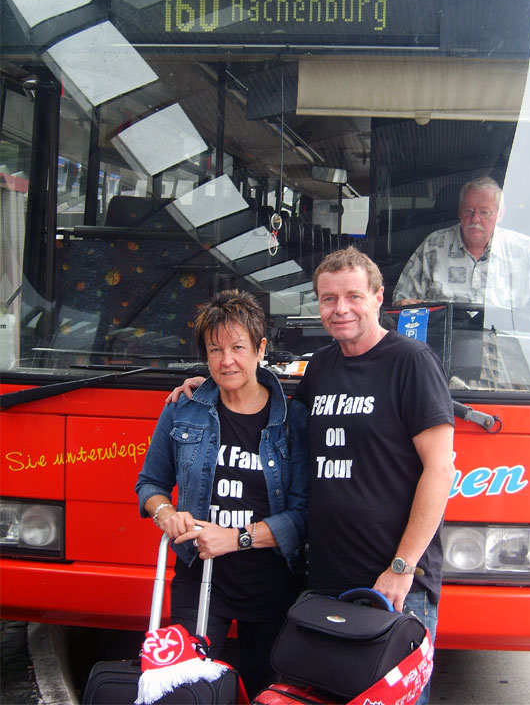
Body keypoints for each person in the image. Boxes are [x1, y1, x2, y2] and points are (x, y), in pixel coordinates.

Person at [169, 249, 455, 705]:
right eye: (328, 299)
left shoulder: (412, 363)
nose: (340, 308)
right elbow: (266, 410)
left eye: (353, 296)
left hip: (393, 580)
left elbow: (441, 472)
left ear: (379, 298)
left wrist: (402, 568)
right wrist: (206, 386)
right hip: (324, 577)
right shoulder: (321, 367)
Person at [136, 290, 308, 699]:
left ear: (260, 349)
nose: (226, 360)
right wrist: (167, 515)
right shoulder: (184, 408)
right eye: (215, 350)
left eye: (237, 347)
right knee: (188, 691)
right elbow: (150, 484)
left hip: (272, 585)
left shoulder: (292, 421)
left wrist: (236, 539)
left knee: (265, 691)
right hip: (200, 578)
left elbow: (304, 515)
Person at [392, 176, 530, 313]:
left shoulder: (521, 249)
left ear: (500, 214)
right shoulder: (434, 246)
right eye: (469, 211)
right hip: (440, 346)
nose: (475, 219)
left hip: (501, 348)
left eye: (484, 212)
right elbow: (401, 299)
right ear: (459, 212)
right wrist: (406, 305)